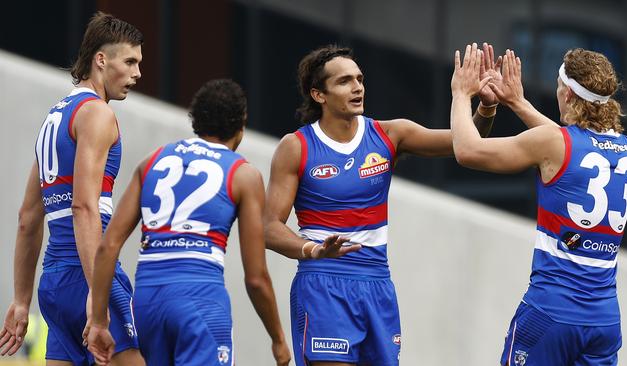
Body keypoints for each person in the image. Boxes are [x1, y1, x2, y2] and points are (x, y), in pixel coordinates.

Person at [263, 44, 513, 366]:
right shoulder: (296, 146)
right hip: (324, 282)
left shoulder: (390, 134)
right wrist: (312, 249)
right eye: (344, 81)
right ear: (318, 94)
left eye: (360, 79)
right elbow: (269, 228)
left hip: (377, 283)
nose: (357, 87)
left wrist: (486, 109)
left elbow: (463, 142)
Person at [450, 43, 627, 365]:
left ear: (567, 94)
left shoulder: (554, 144)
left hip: (550, 313)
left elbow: (467, 151)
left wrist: (461, 93)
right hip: (604, 321)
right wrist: (517, 101)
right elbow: (568, 142)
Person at [85, 79, 292, 366]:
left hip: (148, 302)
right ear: (241, 125)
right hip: (200, 300)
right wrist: (278, 338)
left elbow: (108, 247)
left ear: (195, 119)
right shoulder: (243, 174)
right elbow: (256, 277)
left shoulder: (152, 161)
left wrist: (98, 321)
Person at [0, 12, 145, 366]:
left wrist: (21, 300)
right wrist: (98, 298)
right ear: (101, 60)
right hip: (89, 274)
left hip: (54, 282)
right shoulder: (97, 114)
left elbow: (27, 217)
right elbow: (84, 206)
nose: (137, 73)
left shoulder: (54, 118)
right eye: (130, 61)